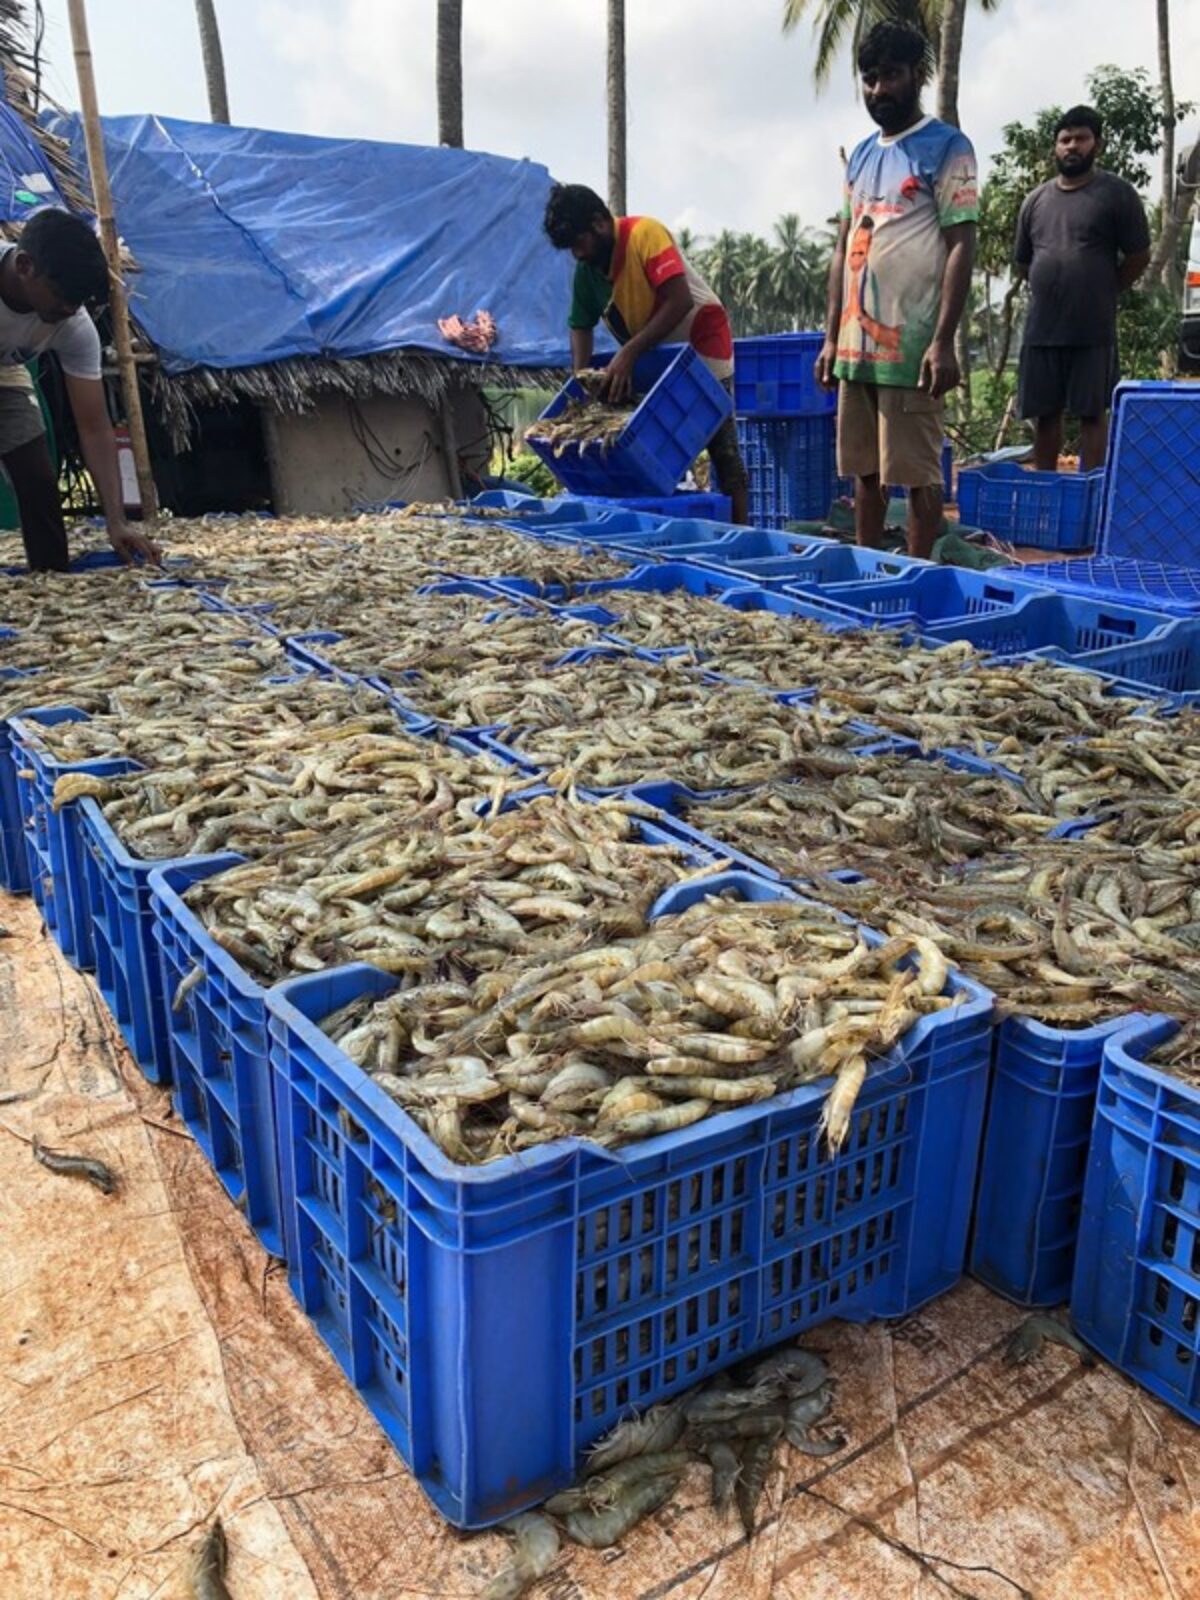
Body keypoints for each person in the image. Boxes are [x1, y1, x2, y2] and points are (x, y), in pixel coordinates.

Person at [815, 21, 978, 559]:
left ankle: (918, 575)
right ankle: (868, 570)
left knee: (918, 475)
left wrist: (943, 339)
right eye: (869, 78)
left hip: (912, 350)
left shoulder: (947, 147)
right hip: (856, 349)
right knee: (863, 471)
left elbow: (960, 243)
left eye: (890, 76)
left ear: (917, 76)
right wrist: (830, 337)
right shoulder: (860, 156)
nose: (879, 89)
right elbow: (842, 249)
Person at [543, 184, 749, 524]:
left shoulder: (645, 234)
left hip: (701, 341)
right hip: (653, 355)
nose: (578, 254)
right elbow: (580, 326)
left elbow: (679, 300)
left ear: (599, 223)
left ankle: (744, 536)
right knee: (647, 448)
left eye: (580, 243)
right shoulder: (588, 272)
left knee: (723, 449)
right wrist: (580, 387)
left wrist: (629, 352)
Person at [0, 208, 160, 572]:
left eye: (76, 305)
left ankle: (50, 578)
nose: (68, 311)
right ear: (25, 266)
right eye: (61, 300)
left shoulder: (72, 321)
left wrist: (116, 520)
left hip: (5, 373)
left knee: (38, 478)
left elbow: (94, 427)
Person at [1014, 105, 1151, 472]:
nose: (1072, 146)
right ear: (1055, 147)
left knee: (1092, 414)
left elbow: (1138, 255)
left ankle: (1090, 494)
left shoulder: (1117, 194)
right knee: (1045, 416)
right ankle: (1047, 492)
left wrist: (1105, 289)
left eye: (1081, 139)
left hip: (1092, 330)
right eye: (1065, 140)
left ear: (1097, 145)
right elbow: (1025, 262)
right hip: (1043, 329)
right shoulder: (1035, 201)